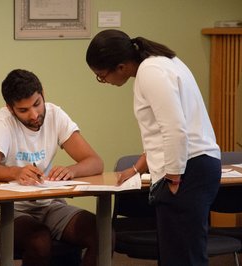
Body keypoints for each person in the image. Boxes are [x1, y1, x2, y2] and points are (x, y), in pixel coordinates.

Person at [86, 29, 221, 266]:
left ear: (120, 66)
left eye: (101, 75)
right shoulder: (163, 62)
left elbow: (175, 129)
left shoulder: (151, 73)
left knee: (183, 258)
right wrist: (138, 168)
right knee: (180, 254)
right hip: (196, 165)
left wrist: (173, 179)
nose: (103, 81)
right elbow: (161, 134)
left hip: (188, 170)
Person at [0, 69, 104, 266]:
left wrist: (72, 170)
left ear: (43, 94)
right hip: (0, 211)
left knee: (101, 233)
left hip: (48, 205)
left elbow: (95, 161)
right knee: (39, 240)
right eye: (23, 110)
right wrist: (16, 172)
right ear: (10, 108)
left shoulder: (55, 115)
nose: (34, 115)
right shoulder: (1, 122)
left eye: (37, 104)